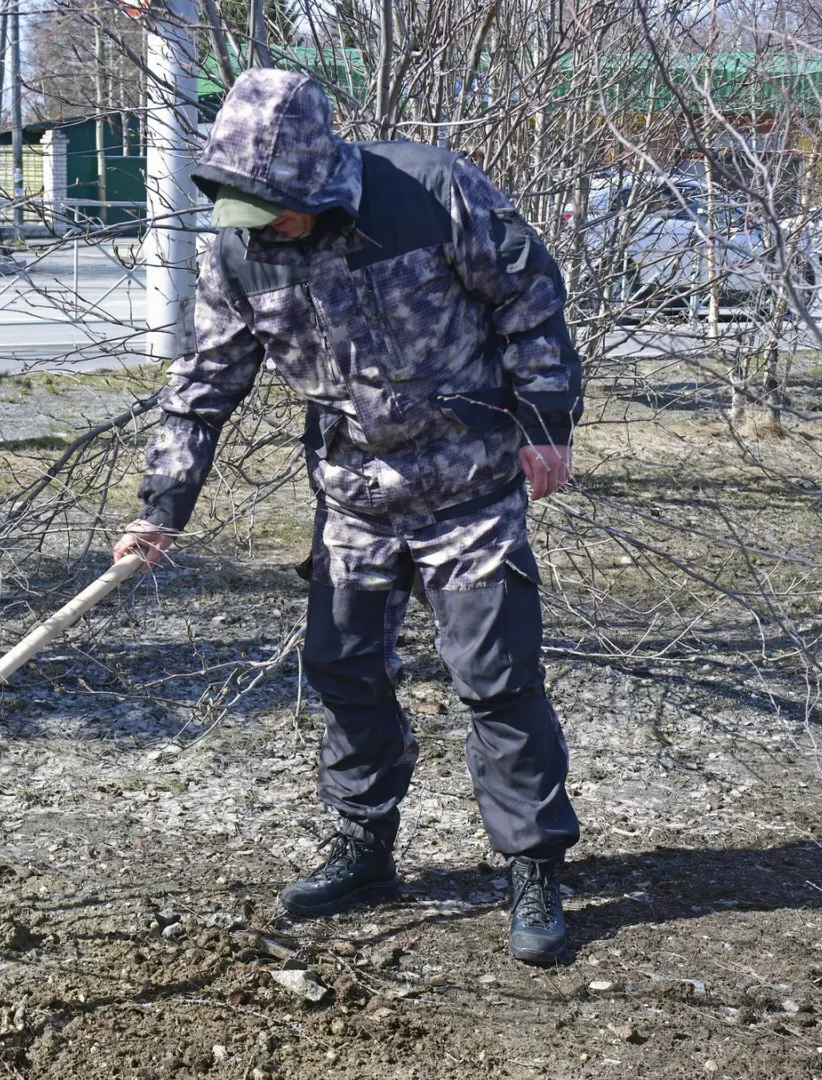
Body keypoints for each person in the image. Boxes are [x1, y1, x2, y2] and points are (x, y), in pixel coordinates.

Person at [113, 69, 582, 964]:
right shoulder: (240, 249)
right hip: (354, 497)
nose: (267, 226)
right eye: (248, 209)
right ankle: (365, 847)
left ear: (320, 179)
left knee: (497, 677)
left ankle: (533, 867)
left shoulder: (432, 191)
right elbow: (203, 384)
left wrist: (547, 423)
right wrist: (161, 508)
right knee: (344, 670)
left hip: (469, 485)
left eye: (279, 208)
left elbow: (531, 300)